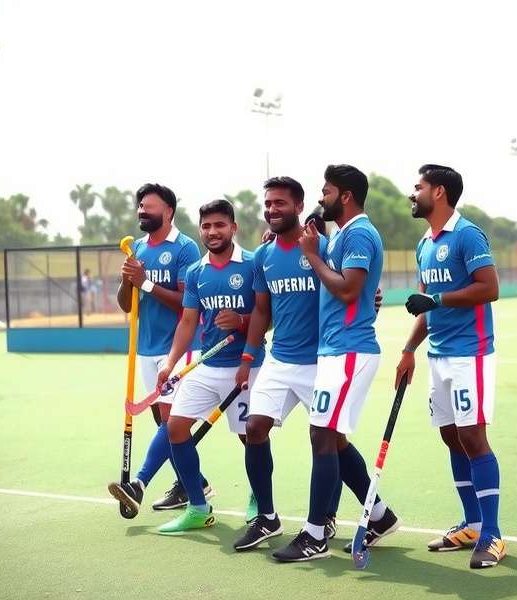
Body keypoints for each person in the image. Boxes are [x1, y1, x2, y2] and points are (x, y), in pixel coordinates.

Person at [272, 164, 400, 562]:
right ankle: (379, 516)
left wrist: (311, 255)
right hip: (335, 350)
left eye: (326, 191)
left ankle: (314, 535)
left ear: (345, 196)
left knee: (323, 436)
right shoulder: (343, 234)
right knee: (334, 438)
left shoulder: (359, 232)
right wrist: (301, 244)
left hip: (349, 350)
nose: (320, 197)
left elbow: (347, 289)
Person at [399, 164, 505, 569]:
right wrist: (408, 350)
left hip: (470, 354)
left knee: (472, 437)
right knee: (450, 436)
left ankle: (492, 534)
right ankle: (473, 524)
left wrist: (439, 300)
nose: (413, 194)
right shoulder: (424, 243)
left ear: (439, 192)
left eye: (419, 187)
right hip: (437, 356)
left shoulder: (467, 234)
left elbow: (489, 288)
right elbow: (424, 306)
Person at [232, 177, 343, 552]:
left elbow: (349, 287)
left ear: (298, 206)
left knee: (332, 441)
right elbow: (262, 311)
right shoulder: (263, 256)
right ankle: (266, 518)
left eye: (279, 203)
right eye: (268, 203)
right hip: (279, 360)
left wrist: (372, 297)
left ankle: (344, 515)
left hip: (320, 361)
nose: (272, 209)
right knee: (254, 428)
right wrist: (248, 357)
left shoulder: (322, 247)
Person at [155, 198, 266, 534]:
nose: (212, 231)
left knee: (251, 438)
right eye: (206, 226)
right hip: (207, 364)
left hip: (246, 367)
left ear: (234, 227)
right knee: (175, 428)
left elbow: (268, 315)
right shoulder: (196, 272)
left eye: (220, 225)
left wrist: (242, 321)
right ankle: (198, 507)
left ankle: (260, 499)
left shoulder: (253, 263)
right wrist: (170, 363)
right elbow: (188, 321)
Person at [107, 183, 212, 518]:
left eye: (148, 206)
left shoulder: (185, 248)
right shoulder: (137, 248)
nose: (142, 211)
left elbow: (186, 302)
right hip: (146, 347)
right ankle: (193, 483)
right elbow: (127, 304)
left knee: (171, 422)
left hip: (178, 349)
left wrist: (146, 282)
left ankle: (139, 483)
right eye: (140, 206)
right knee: (162, 420)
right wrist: (128, 280)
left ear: (168, 211)